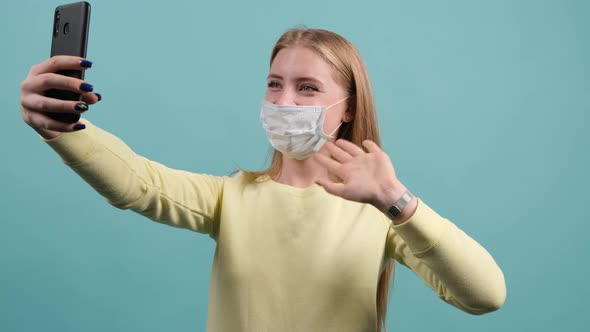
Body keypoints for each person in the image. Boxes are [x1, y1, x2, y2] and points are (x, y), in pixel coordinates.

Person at [20, 28, 506, 332]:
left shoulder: (380, 213)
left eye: (308, 88)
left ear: (349, 109)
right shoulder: (232, 197)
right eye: (275, 84)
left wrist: (395, 200)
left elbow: (485, 295)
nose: (284, 102)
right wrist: (62, 128)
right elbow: (139, 185)